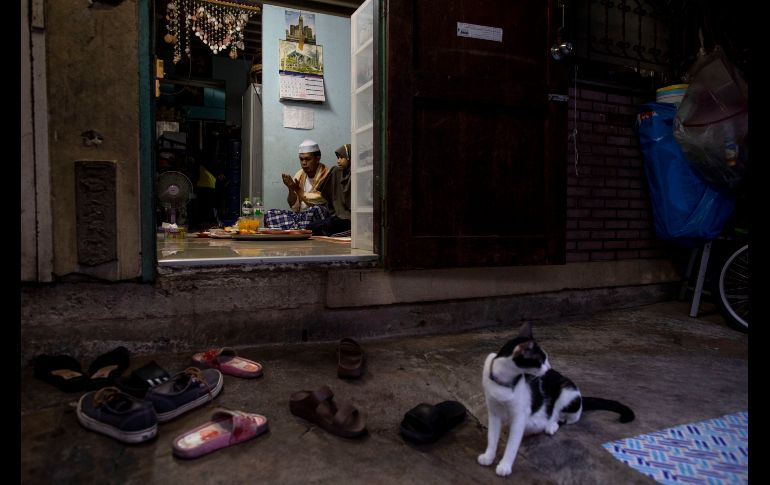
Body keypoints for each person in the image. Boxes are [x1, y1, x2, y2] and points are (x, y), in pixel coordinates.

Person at [264, 140, 331, 230]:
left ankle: (295, 227)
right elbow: (293, 206)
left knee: (317, 209)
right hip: (300, 216)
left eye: (307, 159)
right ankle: (301, 227)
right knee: (270, 214)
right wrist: (290, 189)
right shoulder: (300, 174)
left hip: (317, 216)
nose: (304, 163)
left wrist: (297, 189)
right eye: (301, 159)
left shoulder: (327, 174)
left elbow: (318, 201)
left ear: (317, 159)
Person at [309, 143, 352, 236]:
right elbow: (325, 196)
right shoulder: (337, 173)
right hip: (337, 216)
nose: (338, 161)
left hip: (350, 219)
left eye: (342, 157)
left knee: (329, 226)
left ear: (350, 158)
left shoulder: (355, 176)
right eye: (338, 158)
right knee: (311, 227)